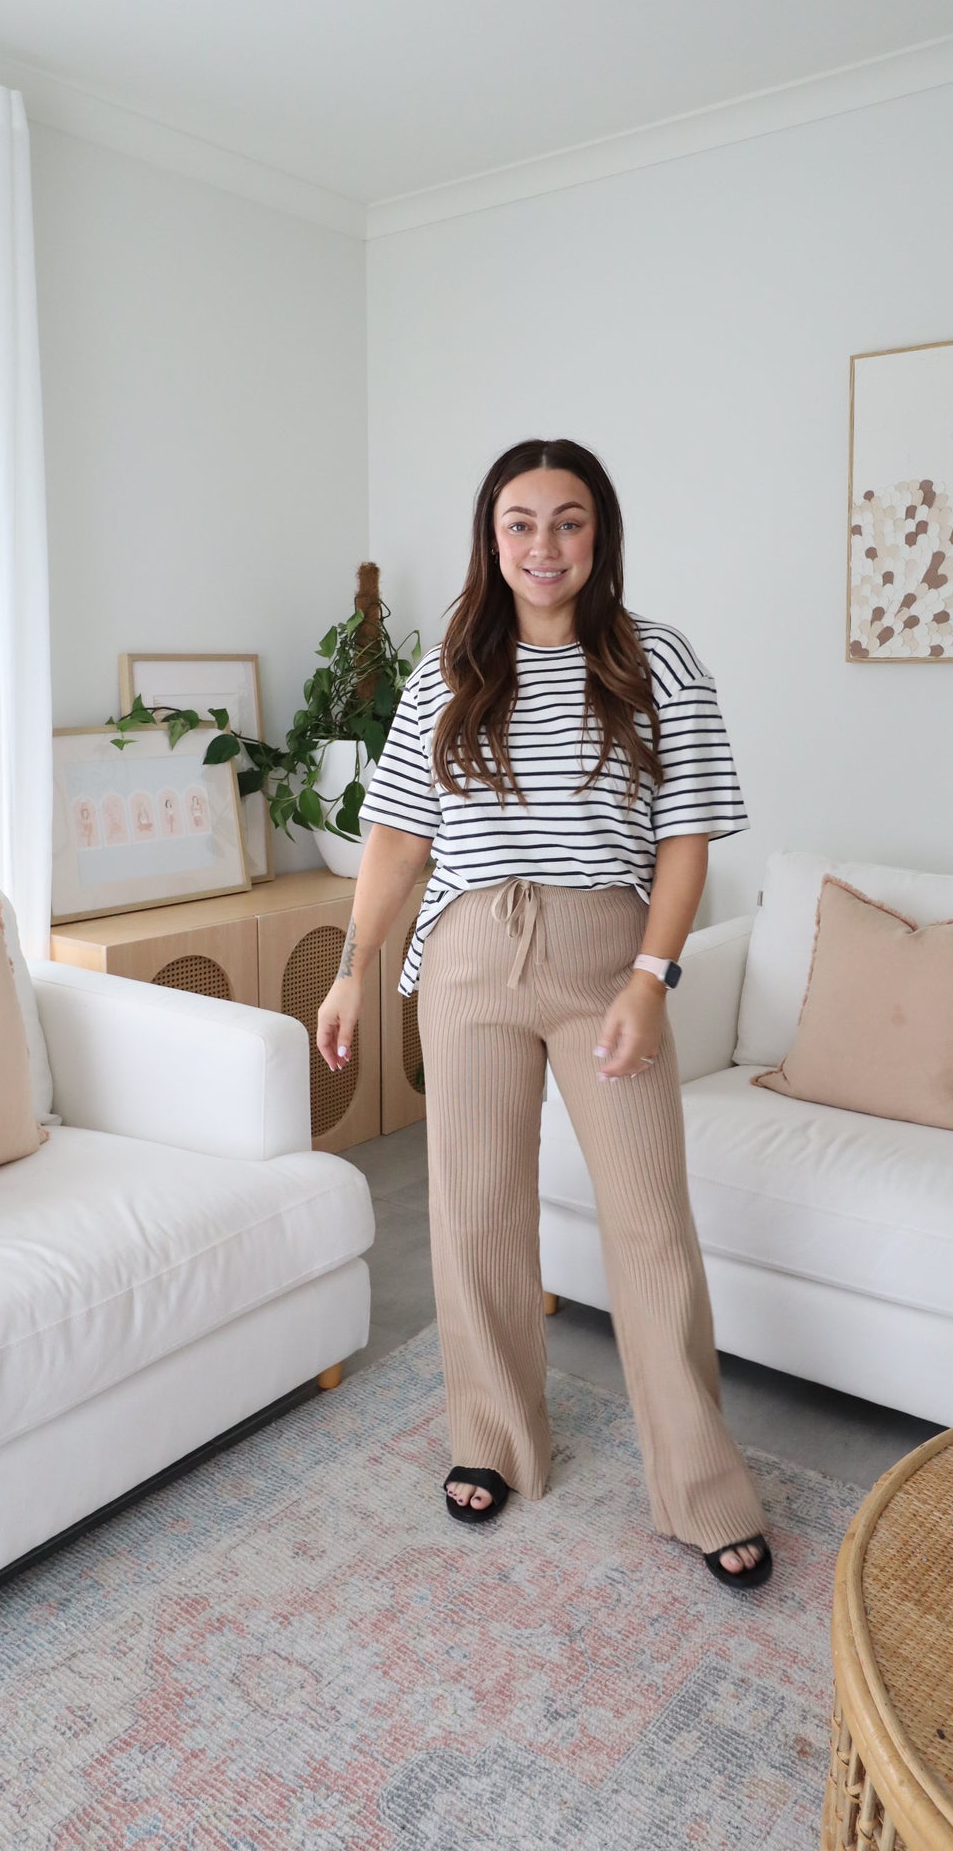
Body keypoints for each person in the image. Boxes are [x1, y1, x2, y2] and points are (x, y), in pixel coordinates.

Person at [313, 437, 772, 1589]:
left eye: (566, 521)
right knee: (474, 1212)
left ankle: (699, 1484)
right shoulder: (445, 670)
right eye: (520, 522)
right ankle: (492, 1438)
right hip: (466, 954)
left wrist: (648, 980)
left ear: (598, 533)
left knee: (648, 1222)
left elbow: (685, 836)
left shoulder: (657, 660)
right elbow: (399, 838)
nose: (543, 545)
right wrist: (353, 964)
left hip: (602, 950)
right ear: (491, 535)